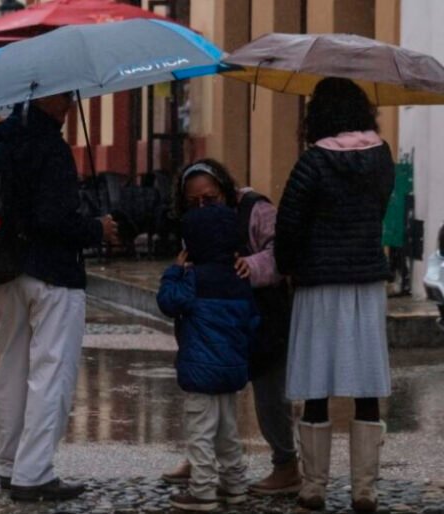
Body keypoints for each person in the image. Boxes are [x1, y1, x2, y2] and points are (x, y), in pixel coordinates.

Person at [0, 94, 117, 502]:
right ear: (47, 97)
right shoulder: (52, 148)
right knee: (51, 372)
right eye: (63, 98)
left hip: (8, 271)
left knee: (10, 367)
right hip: (53, 275)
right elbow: (53, 219)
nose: (67, 106)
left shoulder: (0, 139)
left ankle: (10, 466)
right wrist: (97, 228)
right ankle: (34, 472)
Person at [275, 77, 395, 513]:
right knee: (365, 387)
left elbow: (288, 223)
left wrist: (287, 265)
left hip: (319, 283)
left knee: (316, 386)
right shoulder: (382, 156)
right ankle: (365, 489)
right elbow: (380, 207)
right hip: (365, 283)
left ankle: (314, 487)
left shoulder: (313, 162)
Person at [162, 159, 301, 495]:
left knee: (269, 394)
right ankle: (202, 460)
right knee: (214, 400)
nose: (201, 207)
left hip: (264, 311)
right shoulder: (195, 221)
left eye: (209, 199)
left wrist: (250, 266)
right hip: (218, 318)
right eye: (193, 203)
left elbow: (282, 250)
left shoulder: (255, 209)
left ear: (225, 190)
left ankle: (286, 466)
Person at [157, 203, 259, 512]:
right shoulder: (239, 277)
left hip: (201, 372)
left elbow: (168, 302)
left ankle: (202, 491)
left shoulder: (193, 278)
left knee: (200, 432)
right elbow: (253, 321)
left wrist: (174, 271)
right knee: (227, 431)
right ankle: (235, 485)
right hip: (231, 370)